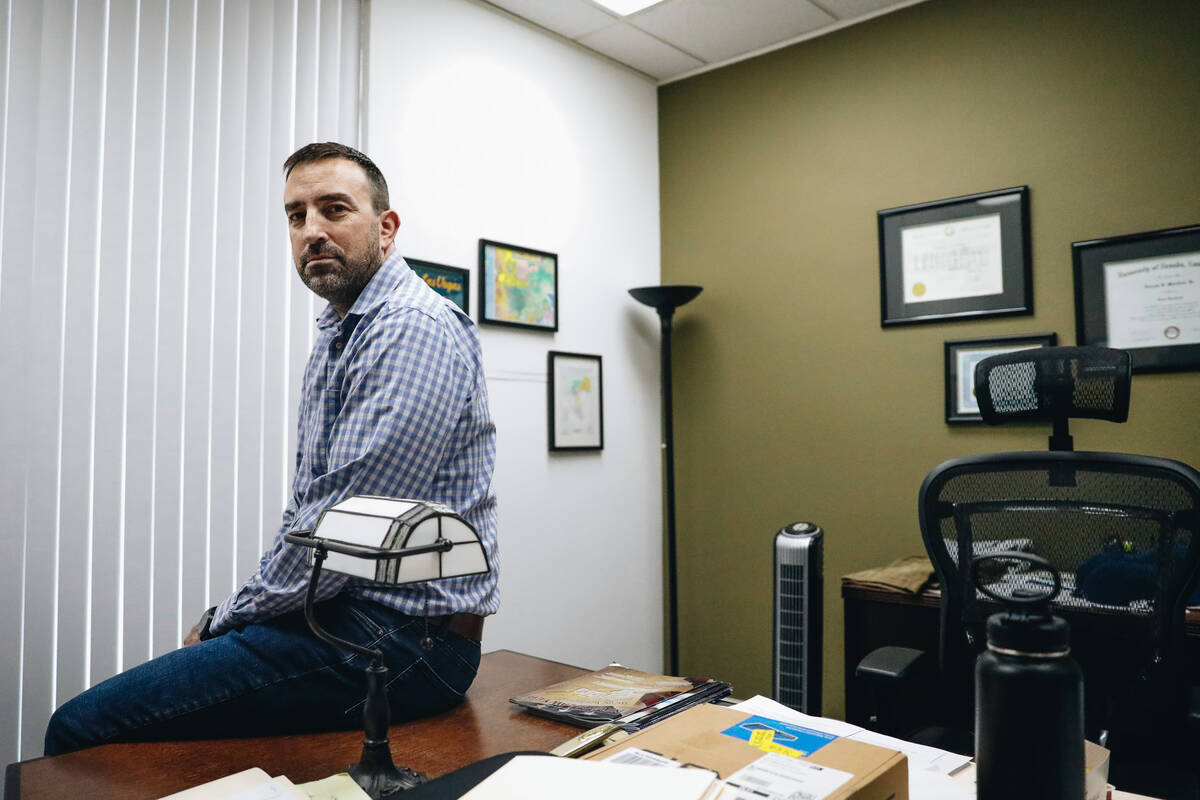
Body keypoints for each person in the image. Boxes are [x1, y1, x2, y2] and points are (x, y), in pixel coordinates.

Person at [44, 142, 499, 755]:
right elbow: (309, 510)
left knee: (77, 728)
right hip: (351, 618)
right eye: (296, 215)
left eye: (334, 209)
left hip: (405, 643)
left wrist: (225, 619)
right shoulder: (343, 329)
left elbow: (338, 529)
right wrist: (240, 617)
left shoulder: (410, 327)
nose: (312, 231)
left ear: (386, 229)